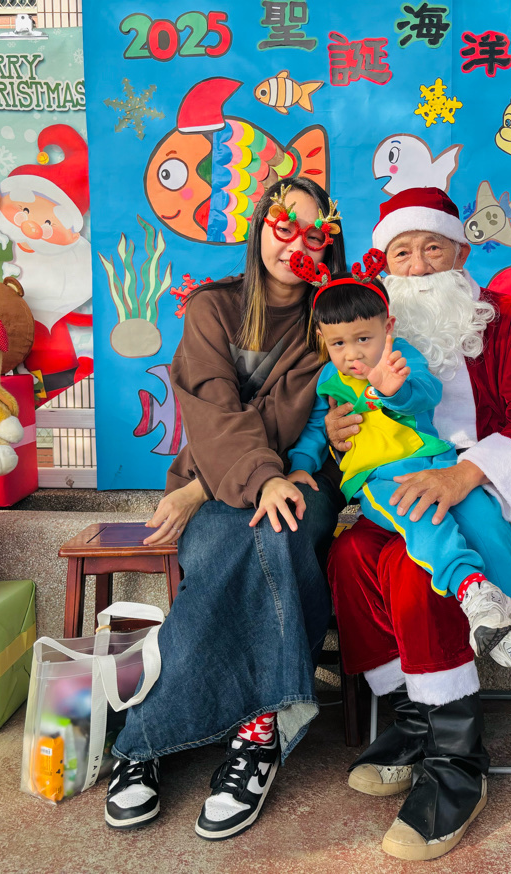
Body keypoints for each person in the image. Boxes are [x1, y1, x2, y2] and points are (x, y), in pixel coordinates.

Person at [102, 178, 347, 841]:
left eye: (312, 232)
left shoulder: (332, 315)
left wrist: (264, 475)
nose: (294, 242)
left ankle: (149, 740)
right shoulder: (213, 308)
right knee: (231, 544)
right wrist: (241, 481)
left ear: (330, 243)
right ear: (259, 226)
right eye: (282, 224)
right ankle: (258, 727)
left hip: (304, 475)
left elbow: (307, 416)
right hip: (220, 474)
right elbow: (213, 411)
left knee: (284, 528)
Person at [325, 187, 511, 861]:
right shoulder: (370, 328)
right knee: (348, 557)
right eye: (403, 252)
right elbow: (349, 418)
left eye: (433, 248)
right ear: (386, 264)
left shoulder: (510, 318)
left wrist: (465, 475)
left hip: (488, 494)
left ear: (461, 252)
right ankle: (415, 719)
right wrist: (342, 434)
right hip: (400, 493)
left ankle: (458, 760)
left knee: (412, 567)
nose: (420, 265)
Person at [285, 249, 511, 658]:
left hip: (437, 462)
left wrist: (392, 391)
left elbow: (426, 395)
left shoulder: (401, 357)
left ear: (388, 327)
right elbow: (314, 429)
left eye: (363, 339)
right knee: (421, 517)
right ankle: (470, 587)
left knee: (485, 515)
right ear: (323, 340)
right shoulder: (330, 378)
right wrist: (300, 466)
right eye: (338, 343)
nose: (352, 354)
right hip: (380, 476)